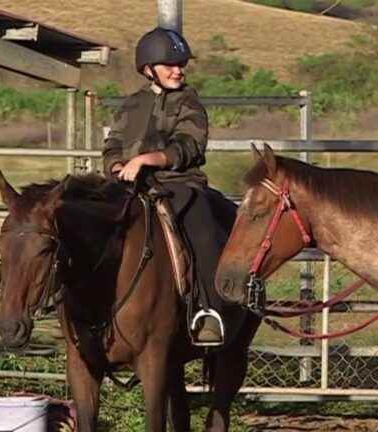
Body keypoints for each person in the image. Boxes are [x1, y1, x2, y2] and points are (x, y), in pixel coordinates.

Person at [102, 27, 232, 346]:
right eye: (170, 65)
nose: (178, 70)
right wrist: (116, 166)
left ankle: (208, 311)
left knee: (201, 230)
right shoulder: (130, 105)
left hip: (180, 184)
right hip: (128, 185)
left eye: (182, 64)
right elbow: (112, 145)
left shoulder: (189, 102)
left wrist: (147, 160)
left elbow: (190, 146)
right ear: (148, 70)